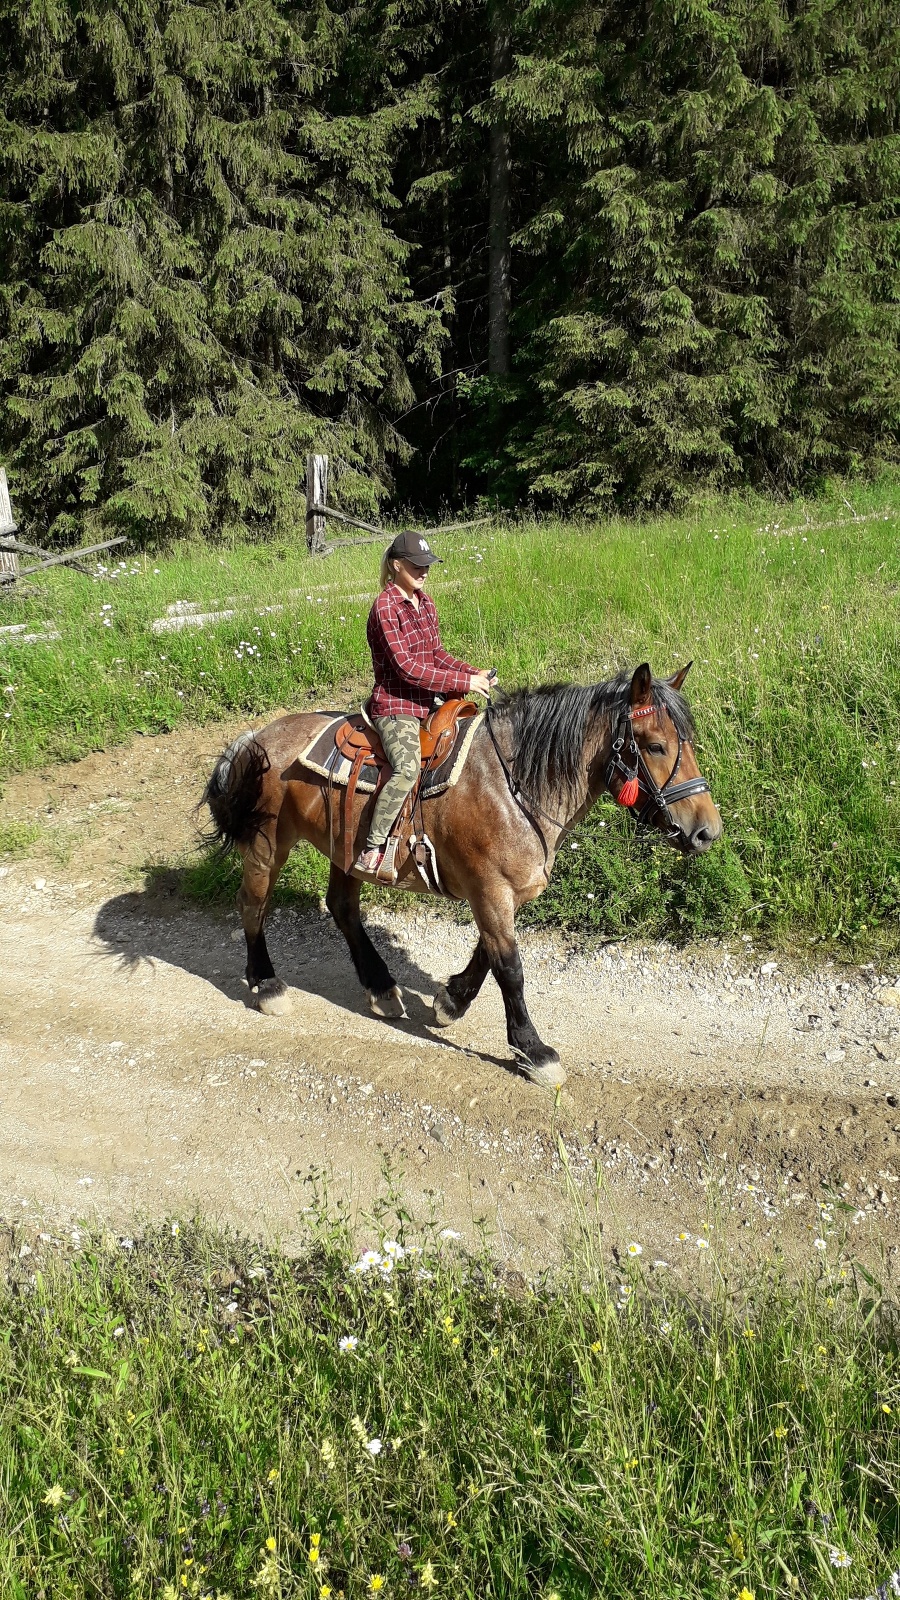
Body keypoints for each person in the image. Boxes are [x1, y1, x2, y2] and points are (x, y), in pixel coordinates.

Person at [354, 529, 493, 876]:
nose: (424, 571)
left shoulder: (425, 601)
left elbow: (436, 655)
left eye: (427, 564)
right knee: (406, 769)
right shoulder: (385, 607)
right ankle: (372, 846)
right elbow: (407, 670)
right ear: (396, 565)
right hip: (396, 705)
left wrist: (473, 672)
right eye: (417, 565)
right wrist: (465, 682)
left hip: (427, 700)